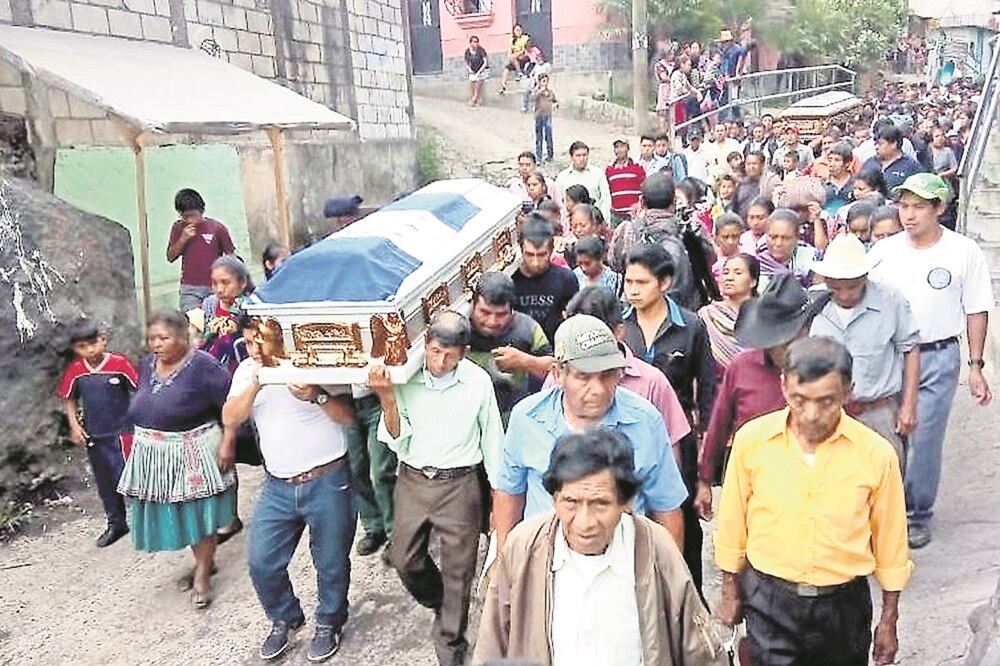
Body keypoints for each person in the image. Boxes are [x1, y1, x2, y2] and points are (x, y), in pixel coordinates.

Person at [715, 337, 913, 666]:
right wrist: (729, 591)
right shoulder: (752, 441)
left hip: (843, 608)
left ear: (848, 391)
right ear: (783, 386)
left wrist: (889, 620)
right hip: (769, 602)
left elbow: (891, 545)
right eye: (799, 400)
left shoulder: (876, 455)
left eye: (826, 402)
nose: (811, 414)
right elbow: (733, 522)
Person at [474, 430, 727, 666]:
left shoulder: (656, 549)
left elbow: (701, 652)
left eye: (600, 504)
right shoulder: (524, 547)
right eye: (571, 502)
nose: (585, 523)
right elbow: (492, 644)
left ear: (626, 502)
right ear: (554, 498)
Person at [369, 312, 504, 666]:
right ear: (425, 345)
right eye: (434, 351)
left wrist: (499, 503)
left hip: (460, 483)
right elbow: (397, 441)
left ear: (464, 352)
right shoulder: (407, 378)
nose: (440, 361)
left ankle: (451, 645)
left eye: (449, 354)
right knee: (404, 558)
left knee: (460, 569)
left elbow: (492, 441)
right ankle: (440, 601)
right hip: (414, 479)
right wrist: (386, 396)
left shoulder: (477, 382)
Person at [868, 173, 994, 548]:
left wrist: (975, 365)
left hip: (938, 355)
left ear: (939, 208)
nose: (909, 215)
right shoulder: (884, 252)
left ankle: (916, 513)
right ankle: (884, 509)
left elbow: (976, 308)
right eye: (904, 206)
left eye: (919, 207)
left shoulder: (962, 251)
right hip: (889, 356)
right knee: (886, 435)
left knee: (924, 438)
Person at [223, 318, 356, 662]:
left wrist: (317, 394)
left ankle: (329, 622)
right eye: (249, 342)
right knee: (261, 561)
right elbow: (231, 417)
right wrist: (256, 384)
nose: (255, 349)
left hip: (327, 478)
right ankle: (284, 617)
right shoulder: (245, 372)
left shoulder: (312, 363)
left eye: (260, 341)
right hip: (279, 484)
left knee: (330, 562)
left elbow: (348, 418)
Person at [494, 315, 687, 551]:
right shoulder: (527, 418)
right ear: (558, 374)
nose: (597, 389)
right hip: (544, 562)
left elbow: (666, 508)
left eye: (607, 375)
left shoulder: (646, 421)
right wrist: (507, 563)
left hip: (622, 562)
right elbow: (509, 494)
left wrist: (666, 577)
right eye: (583, 377)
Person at [116, 311, 237, 608]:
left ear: (184, 337)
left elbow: (231, 406)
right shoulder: (146, 365)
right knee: (180, 514)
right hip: (158, 454)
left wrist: (228, 443)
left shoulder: (203, 366)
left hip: (192, 450)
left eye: (164, 338)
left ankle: (203, 575)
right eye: (152, 339)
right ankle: (203, 562)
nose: (156, 344)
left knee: (198, 513)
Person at [620, 244, 716, 590]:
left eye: (641, 282)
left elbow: (707, 389)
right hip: (626, 442)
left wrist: (707, 455)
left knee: (682, 520)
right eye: (628, 281)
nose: (632, 290)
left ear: (664, 283)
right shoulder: (619, 327)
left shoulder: (690, 326)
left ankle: (688, 600)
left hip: (678, 442)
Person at [695, 274, 814, 520]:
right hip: (749, 479)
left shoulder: (823, 370)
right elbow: (719, 424)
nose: (782, 348)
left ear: (805, 330)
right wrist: (705, 480)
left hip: (809, 482)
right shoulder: (741, 367)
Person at [810, 234, 920, 468]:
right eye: (837, 287)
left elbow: (910, 350)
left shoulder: (891, 301)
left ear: (865, 277)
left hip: (878, 412)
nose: (845, 295)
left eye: (852, 287)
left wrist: (909, 406)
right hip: (829, 414)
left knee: (885, 482)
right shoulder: (814, 307)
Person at [544, 287, 692, 448]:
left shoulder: (652, 383)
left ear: (618, 332)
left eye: (594, 335)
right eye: (583, 376)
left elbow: (670, 451)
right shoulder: (559, 378)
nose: (597, 389)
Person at [57, 320, 138, 547]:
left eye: (93, 344)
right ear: (76, 349)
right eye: (83, 347)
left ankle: (146, 521)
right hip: (95, 436)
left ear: (103, 340)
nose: (90, 350)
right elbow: (69, 398)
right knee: (105, 483)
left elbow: (139, 389)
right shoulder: (76, 371)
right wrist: (74, 425)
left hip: (123, 434)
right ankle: (116, 524)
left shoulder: (119, 364)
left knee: (130, 477)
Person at [609, 174, 716, 311]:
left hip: (639, 312)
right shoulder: (693, 229)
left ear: (641, 202)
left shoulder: (627, 230)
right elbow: (710, 263)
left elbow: (615, 264)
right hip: (685, 315)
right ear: (674, 201)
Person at [467, 272, 554, 422]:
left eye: (501, 314)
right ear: (472, 305)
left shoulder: (527, 329)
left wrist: (525, 361)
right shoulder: (459, 331)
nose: (492, 321)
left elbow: (554, 370)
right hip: (471, 418)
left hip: (514, 418)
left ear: (512, 310)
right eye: (484, 312)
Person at [513, 215, 579, 345]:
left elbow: (574, 320)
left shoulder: (566, 279)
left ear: (551, 249)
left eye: (542, 254)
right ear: (521, 250)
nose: (536, 262)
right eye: (530, 254)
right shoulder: (510, 280)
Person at [167, 188, 235, 311]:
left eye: (193, 216)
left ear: (201, 211)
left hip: (215, 287)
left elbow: (231, 255)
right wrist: (183, 238)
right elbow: (170, 256)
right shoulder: (178, 228)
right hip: (190, 288)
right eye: (185, 216)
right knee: (192, 322)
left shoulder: (217, 228)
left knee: (216, 323)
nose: (190, 220)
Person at [698, 253, 759, 378]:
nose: (729, 278)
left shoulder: (764, 317)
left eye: (737, 273)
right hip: (716, 387)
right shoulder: (708, 315)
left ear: (753, 281)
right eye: (725, 273)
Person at [757, 208, 818, 292]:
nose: (778, 243)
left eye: (786, 238)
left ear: (797, 238)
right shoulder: (757, 263)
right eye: (773, 237)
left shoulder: (810, 258)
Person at [555, 141, 612, 222]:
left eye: (584, 155)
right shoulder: (562, 177)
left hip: (594, 221)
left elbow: (605, 199)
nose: (581, 159)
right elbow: (559, 202)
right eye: (578, 156)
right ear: (571, 157)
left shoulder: (598, 174)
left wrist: (603, 220)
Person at [862, 124, 925, 191]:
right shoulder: (869, 163)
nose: (876, 147)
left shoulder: (912, 167)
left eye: (880, 144)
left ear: (894, 144)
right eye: (875, 144)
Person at [605, 139, 645, 222]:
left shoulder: (637, 167)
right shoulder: (609, 170)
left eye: (622, 146)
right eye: (616, 147)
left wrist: (639, 206)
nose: (619, 150)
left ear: (628, 148)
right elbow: (607, 191)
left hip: (634, 215)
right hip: (616, 215)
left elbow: (644, 189)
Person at [732, 150, 778, 219]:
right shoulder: (741, 184)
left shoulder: (771, 181)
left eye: (754, 164)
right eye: (748, 164)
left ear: (762, 165)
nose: (751, 167)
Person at [709, 214, 744, 286]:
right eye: (725, 237)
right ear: (716, 237)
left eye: (735, 236)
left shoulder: (747, 259)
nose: (730, 242)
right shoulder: (710, 260)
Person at [823, 141, 856, 216]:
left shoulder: (857, 184)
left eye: (837, 160)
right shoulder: (822, 186)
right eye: (830, 160)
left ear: (848, 163)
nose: (831, 164)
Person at [532, 74, 558, 163]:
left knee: (549, 136)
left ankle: (550, 156)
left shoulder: (550, 92)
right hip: (539, 116)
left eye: (546, 81)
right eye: (543, 81)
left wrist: (555, 105)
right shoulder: (536, 91)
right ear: (539, 82)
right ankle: (538, 157)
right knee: (539, 137)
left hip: (548, 116)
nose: (545, 84)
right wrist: (539, 92)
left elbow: (555, 101)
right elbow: (532, 98)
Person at [498, 24, 530, 94]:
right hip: (515, 59)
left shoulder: (525, 38)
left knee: (512, 57)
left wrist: (514, 56)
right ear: (514, 31)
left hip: (523, 57)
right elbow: (509, 51)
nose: (518, 32)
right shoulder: (512, 40)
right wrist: (511, 56)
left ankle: (519, 73)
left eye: (519, 30)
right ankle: (503, 86)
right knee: (506, 69)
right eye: (516, 30)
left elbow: (524, 50)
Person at [464, 36, 489, 107]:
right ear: (470, 43)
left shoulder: (481, 50)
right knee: (472, 81)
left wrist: (479, 71)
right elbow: (467, 63)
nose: (476, 43)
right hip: (473, 70)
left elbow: (485, 63)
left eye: (477, 42)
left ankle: (475, 98)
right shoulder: (468, 51)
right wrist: (470, 70)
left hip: (483, 69)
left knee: (479, 80)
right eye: (474, 42)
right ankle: (473, 96)